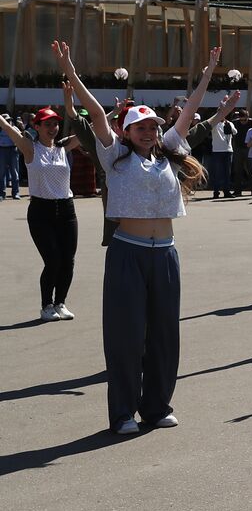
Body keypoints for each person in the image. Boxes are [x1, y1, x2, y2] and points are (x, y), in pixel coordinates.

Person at [55, 40, 220, 435]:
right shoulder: (114, 156)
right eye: (141, 128)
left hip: (165, 254)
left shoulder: (168, 154)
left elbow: (193, 109)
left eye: (153, 127)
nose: (149, 132)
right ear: (126, 132)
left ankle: (158, 405)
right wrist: (73, 75)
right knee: (126, 335)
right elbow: (95, 113)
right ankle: (124, 412)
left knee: (165, 333)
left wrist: (209, 72)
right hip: (127, 253)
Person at [0, 105, 83, 321]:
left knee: (68, 261)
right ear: (36, 126)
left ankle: (60, 303)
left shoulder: (63, 148)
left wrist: (113, 113)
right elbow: (12, 131)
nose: (53, 127)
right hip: (41, 212)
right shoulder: (30, 148)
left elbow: (89, 130)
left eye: (55, 123)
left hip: (66, 210)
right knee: (53, 260)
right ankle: (47, 306)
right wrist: (1, 121)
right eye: (47, 124)